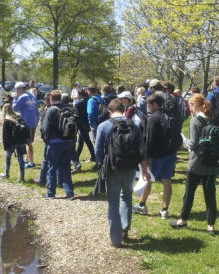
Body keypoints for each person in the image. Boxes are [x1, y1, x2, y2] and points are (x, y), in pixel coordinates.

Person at [95, 99, 148, 247]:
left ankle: (116, 239)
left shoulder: (104, 125)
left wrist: (101, 164)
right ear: (124, 110)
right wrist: (144, 170)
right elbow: (142, 149)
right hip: (131, 168)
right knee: (126, 197)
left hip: (112, 169)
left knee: (113, 203)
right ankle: (125, 229)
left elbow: (98, 152)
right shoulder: (134, 125)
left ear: (110, 112)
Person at [171, 93, 219, 234]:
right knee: (210, 195)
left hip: (197, 163)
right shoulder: (210, 119)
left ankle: (183, 220)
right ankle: (210, 225)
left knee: (189, 193)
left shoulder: (195, 121)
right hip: (211, 164)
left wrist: (184, 139)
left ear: (194, 105)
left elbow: (192, 144)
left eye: (190, 105)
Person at [132, 94, 178, 219]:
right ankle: (164, 210)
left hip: (157, 155)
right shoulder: (171, 115)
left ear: (155, 104)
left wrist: (145, 157)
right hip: (171, 153)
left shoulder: (153, 118)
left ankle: (142, 205)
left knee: (148, 179)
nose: (148, 108)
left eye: (149, 105)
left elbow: (150, 140)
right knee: (167, 182)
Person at [41, 90, 76, 199]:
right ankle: (69, 192)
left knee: (52, 168)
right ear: (60, 98)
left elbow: (45, 128)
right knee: (66, 167)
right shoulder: (68, 109)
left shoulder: (51, 110)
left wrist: (46, 138)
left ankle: (50, 193)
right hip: (68, 141)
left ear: (51, 99)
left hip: (54, 143)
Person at [13, 82, 40, 169]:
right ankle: (27, 158)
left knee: (28, 143)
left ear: (21, 88)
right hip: (34, 121)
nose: (16, 91)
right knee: (28, 141)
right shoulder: (32, 96)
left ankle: (31, 163)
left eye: (17, 89)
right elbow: (36, 110)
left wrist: (14, 98)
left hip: (26, 122)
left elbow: (15, 108)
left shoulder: (22, 97)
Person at [0, 103, 27, 182]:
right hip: (21, 141)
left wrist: (6, 146)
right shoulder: (18, 117)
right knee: (20, 159)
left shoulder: (7, 120)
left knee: (8, 157)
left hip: (12, 143)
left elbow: (5, 135)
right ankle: (22, 177)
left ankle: (7, 173)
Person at [74, 88, 95, 163]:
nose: (77, 96)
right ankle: (77, 156)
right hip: (87, 123)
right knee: (81, 140)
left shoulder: (81, 102)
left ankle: (93, 156)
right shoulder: (88, 100)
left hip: (83, 123)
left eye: (78, 95)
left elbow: (74, 107)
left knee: (87, 140)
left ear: (81, 95)